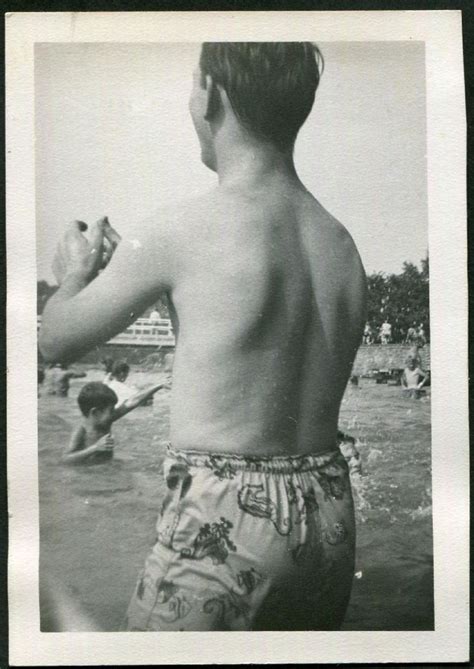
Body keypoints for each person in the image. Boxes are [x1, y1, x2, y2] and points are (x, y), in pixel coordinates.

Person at [39, 42, 367, 631]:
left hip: (225, 516)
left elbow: (57, 341)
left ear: (210, 92)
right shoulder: (340, 244)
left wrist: (75, 278)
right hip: (329, 516)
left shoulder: (182, 227)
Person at [62, 381, 166, 466]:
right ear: (95, 412)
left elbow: (132, 402)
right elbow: (65, 459)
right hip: (88, 472)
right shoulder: (81, 430)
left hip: (105, 467)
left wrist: (159, 385)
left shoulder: (106, 420)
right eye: (111, 410)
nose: (114, 413)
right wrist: (94, 448)